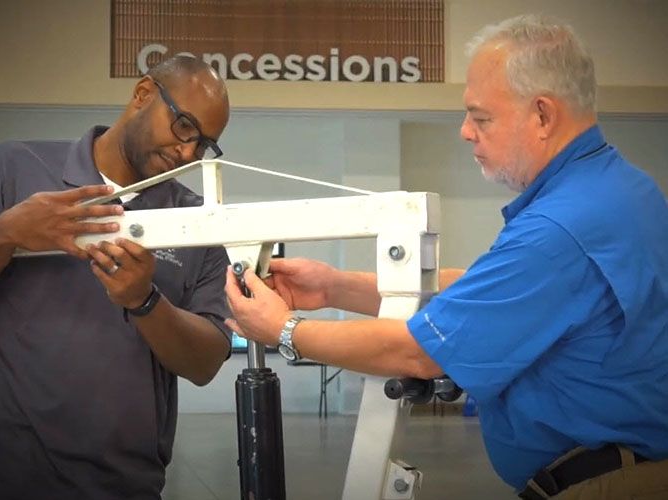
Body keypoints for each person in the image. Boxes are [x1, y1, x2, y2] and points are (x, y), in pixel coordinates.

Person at [225, 15, 668, 500]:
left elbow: (417, 353)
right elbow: (489, 293)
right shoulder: (622, 191)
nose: (464, 132)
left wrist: (284, 330)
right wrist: (333, 286)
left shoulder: (558, 229)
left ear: (543, 115)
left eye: (481, 118)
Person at [0, 56, 233, 500]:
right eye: (184, 126)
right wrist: (4, 235)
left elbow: (204, 363)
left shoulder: (196, 222)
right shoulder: (11, 171)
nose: (187, 152)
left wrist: (145, 301)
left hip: (120, 484)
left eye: (203, 144)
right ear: (143, 94)